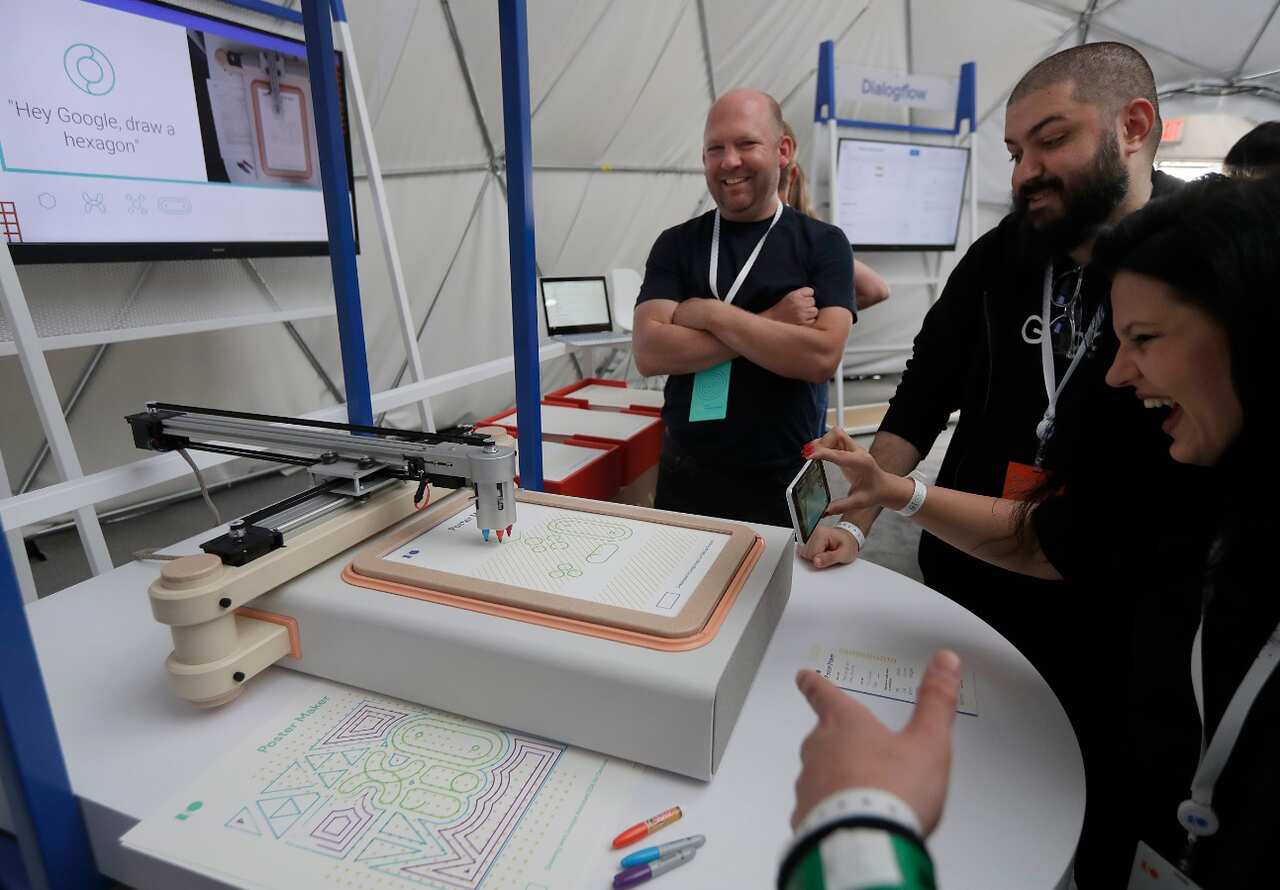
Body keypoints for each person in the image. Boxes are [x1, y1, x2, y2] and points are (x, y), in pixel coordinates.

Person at [788, 175, 1280, 888]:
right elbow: (1050, 538)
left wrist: (864, 821)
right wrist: (893, 493)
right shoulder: (1203, 486)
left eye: (1143, 338)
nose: (1116, 373)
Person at [632, 90, 854, 526]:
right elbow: (650, 352)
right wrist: (773, 323)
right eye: (716, 148)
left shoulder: (822, 244)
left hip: (782, 480)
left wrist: (711, 315)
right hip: (687, 474)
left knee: (783, 594)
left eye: (746, 144)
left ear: (782, 151)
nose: (729, 161)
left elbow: (819, 357)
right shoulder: (676, 244)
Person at [780, 121, 892, 311]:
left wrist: (820, 314)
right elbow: (877, 289)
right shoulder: (815, 238)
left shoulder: (811, 241)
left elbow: (877, 289)